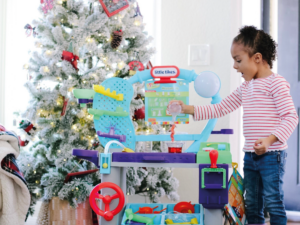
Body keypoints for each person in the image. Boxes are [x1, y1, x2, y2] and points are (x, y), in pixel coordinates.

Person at [168, 26, 299, 225]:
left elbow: (291, 117)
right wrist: (187, 108)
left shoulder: (276, 84)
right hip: (250, 155)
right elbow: (219, 108)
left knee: (273, 202)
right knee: (252, 203)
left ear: (257, 58)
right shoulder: (246, 87)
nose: (235, 66)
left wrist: (270, 139)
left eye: (238, 60)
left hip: (273, 155)